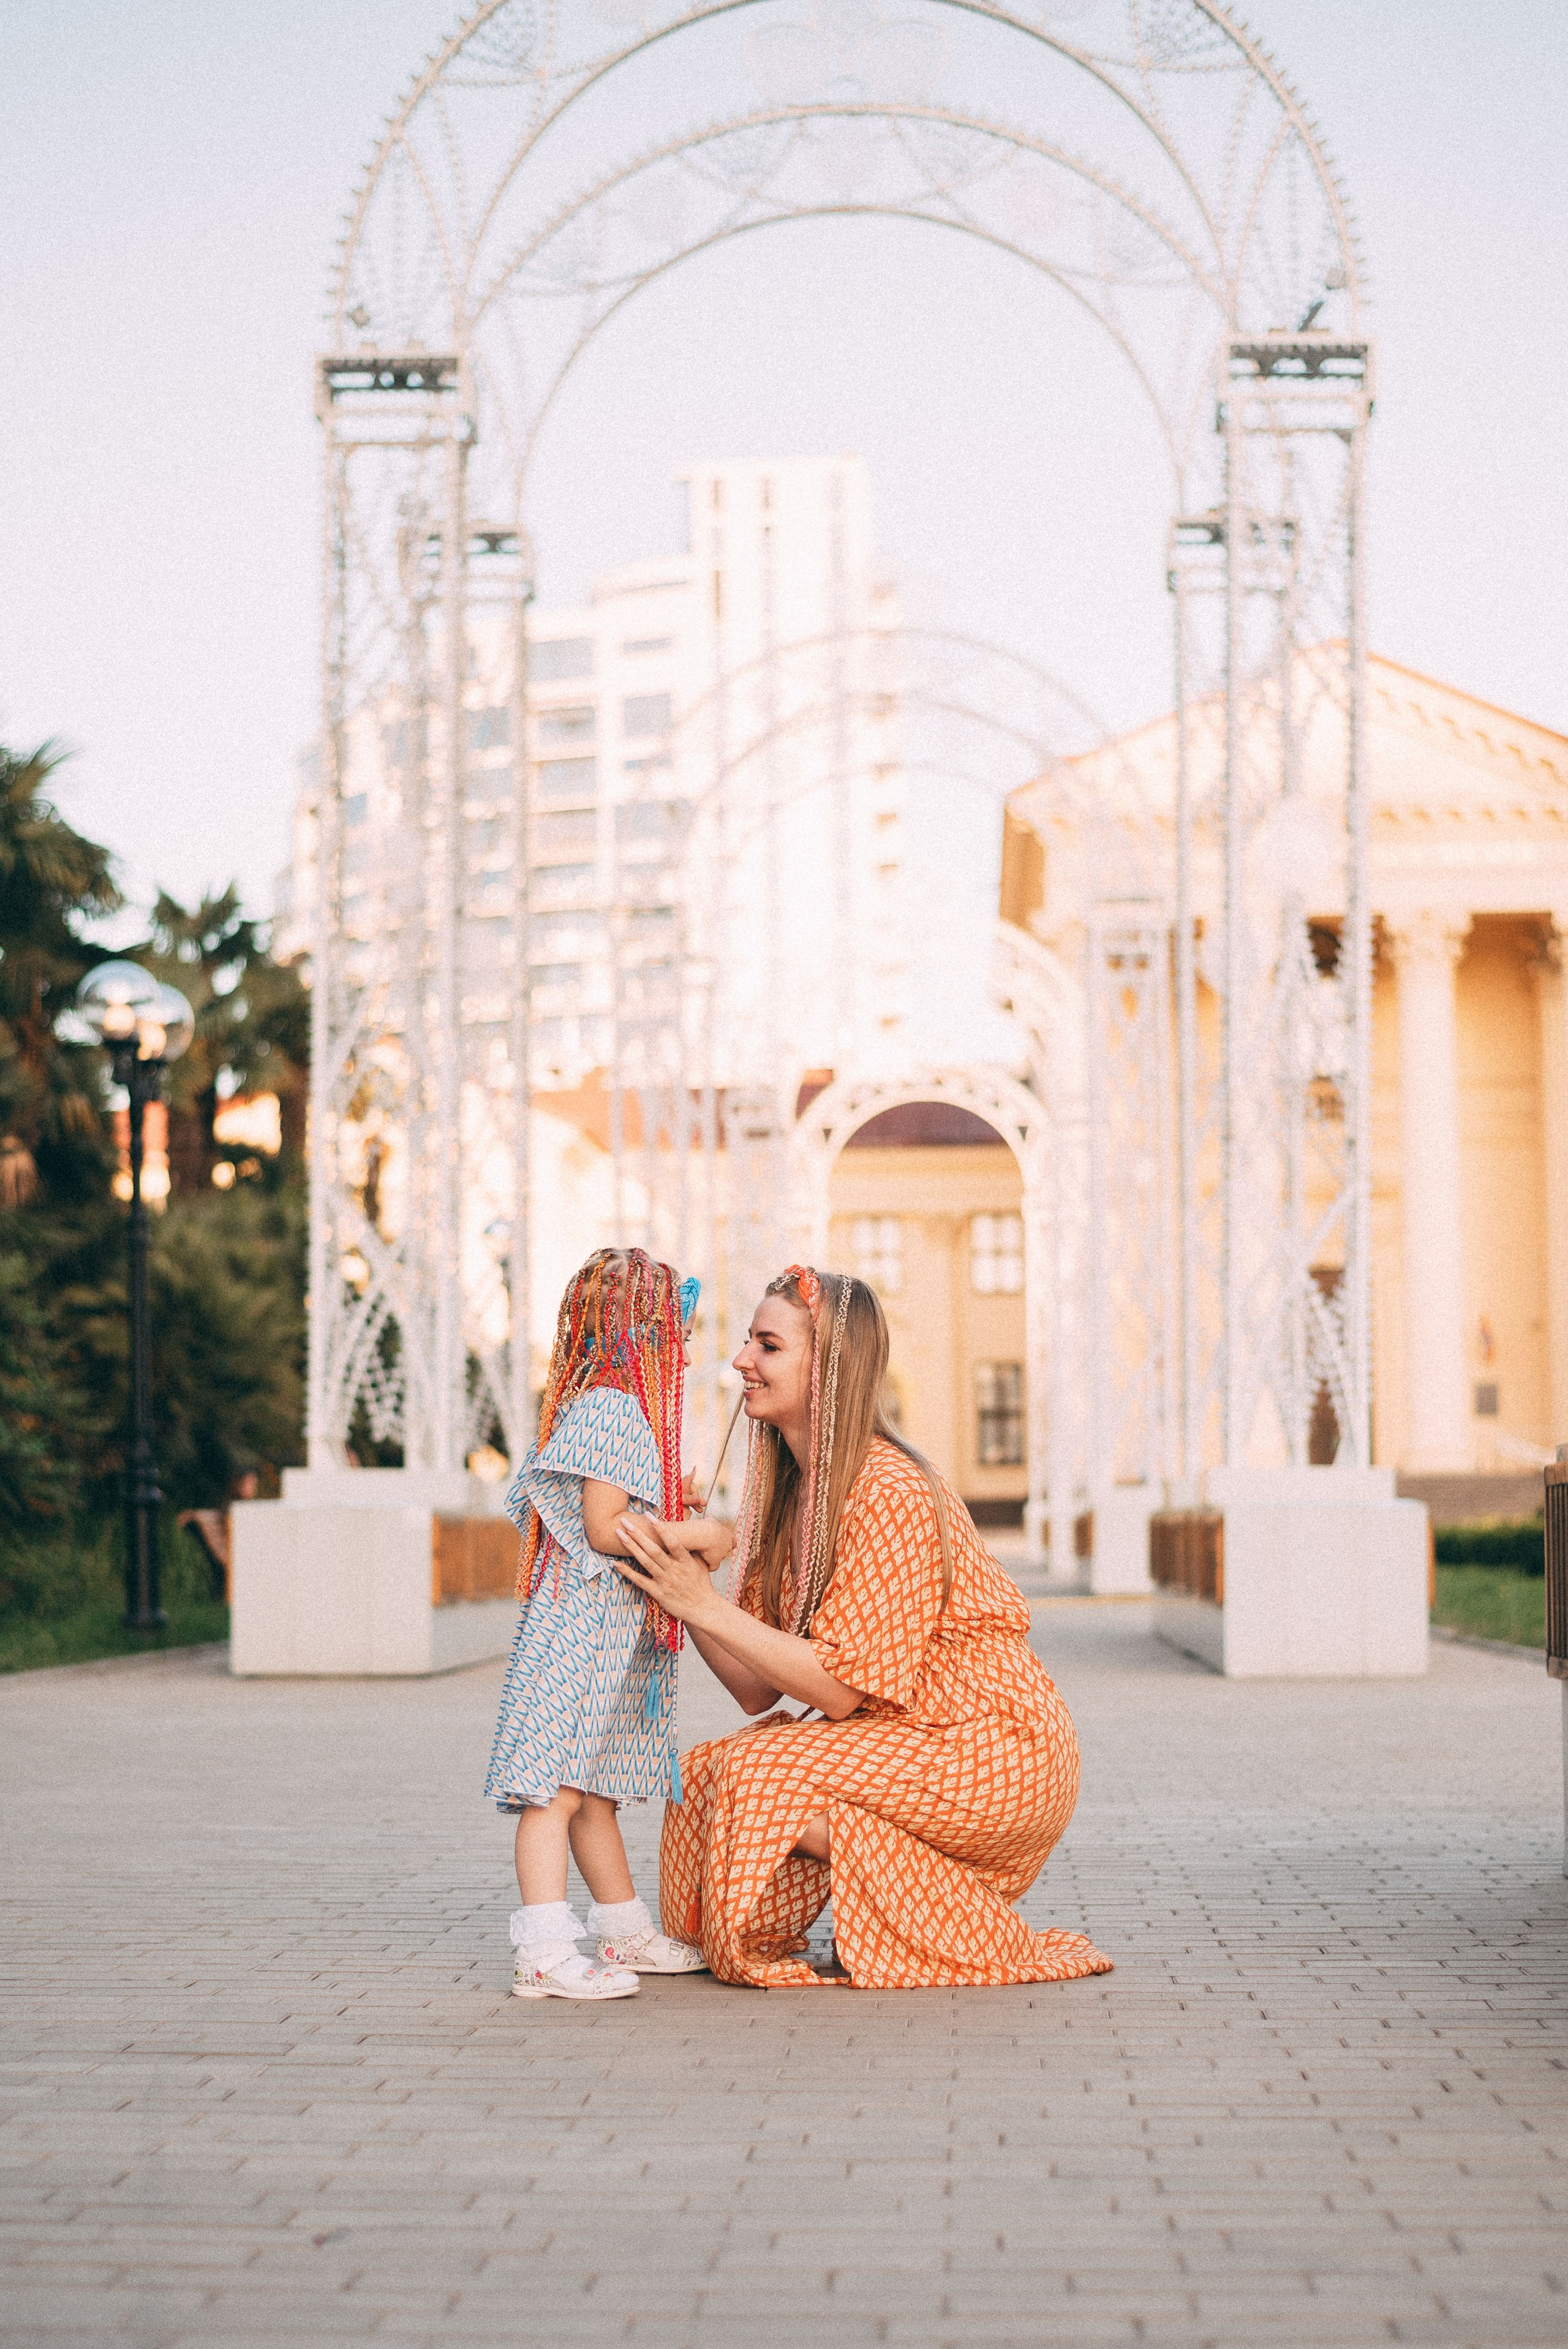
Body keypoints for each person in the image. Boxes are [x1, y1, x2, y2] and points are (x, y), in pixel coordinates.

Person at [613, 1264, 1113, 1991]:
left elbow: (843, 1691)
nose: (740, 1362)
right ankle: (902, 1908)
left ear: (830, 1368)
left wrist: (704, 1605)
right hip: (905, 1738)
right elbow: (757, 1689)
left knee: (760, 1773)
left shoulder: (889, 1487)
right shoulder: (787, 1496)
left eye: (768, 1345)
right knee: (702, 1772)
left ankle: (946, 1914)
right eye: (747, 1342)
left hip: (992, 1742)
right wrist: (689, 1587)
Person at [484, 1246, 733, 2000]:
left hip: (599, 1633)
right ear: (641, 1332)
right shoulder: (614, 1404)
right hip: (575, 1634)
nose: (684, 1351)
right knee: (553, 1790)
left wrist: (667, 1501)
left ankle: (623, 1931)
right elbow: (601, 1526)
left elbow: (619, 1504)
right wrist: (699, 1535)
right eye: (675, 1333)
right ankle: (543, 1951)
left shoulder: (615, 1407)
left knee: (590, 1790)